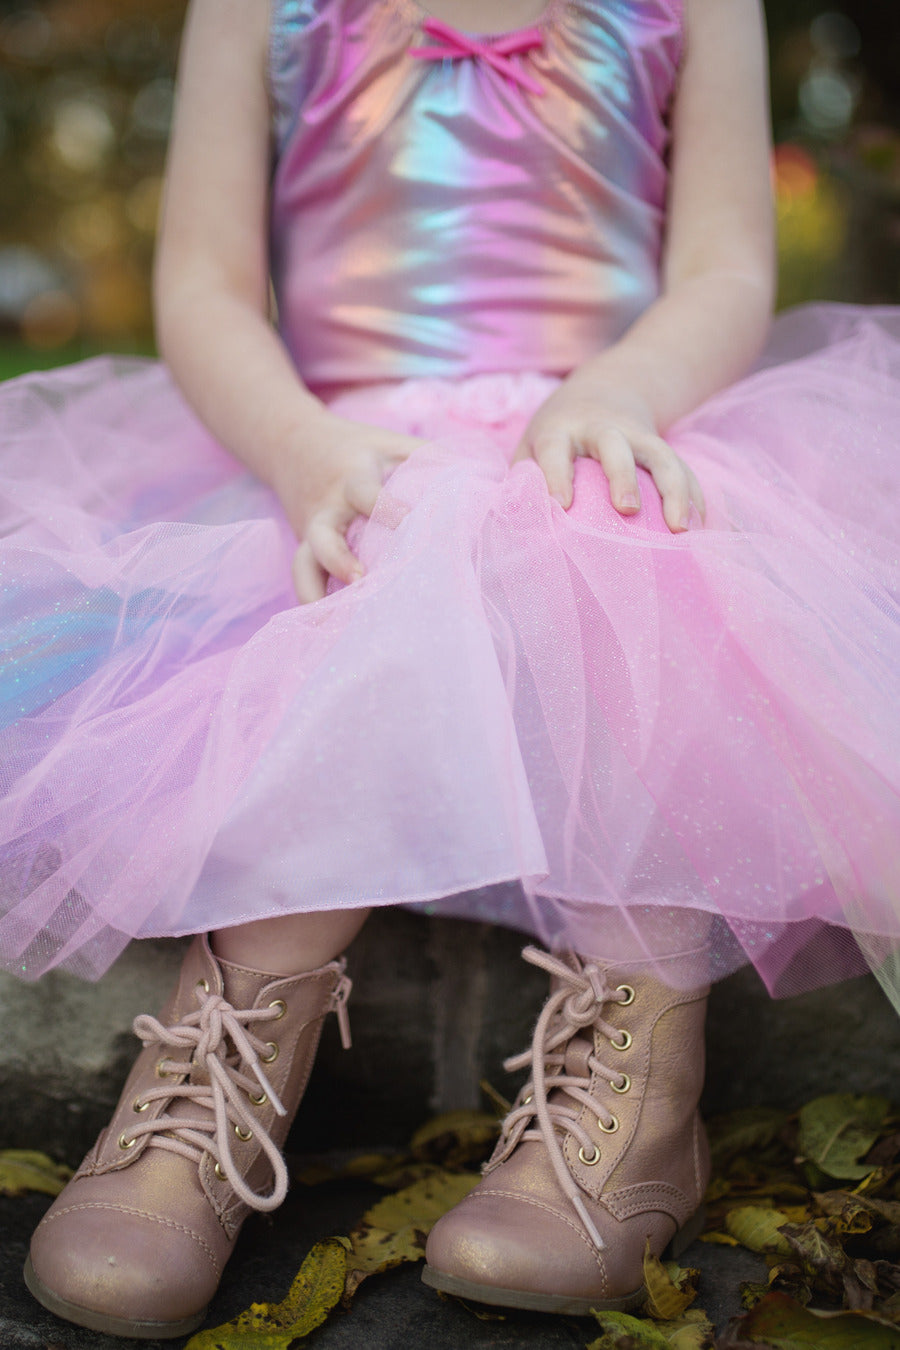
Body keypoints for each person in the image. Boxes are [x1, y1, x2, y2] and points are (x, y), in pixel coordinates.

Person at [2, 0, 899, 1337]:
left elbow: (721, 266)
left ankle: (634, 1086)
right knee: (371, 566)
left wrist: (619, 395)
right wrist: (302, 449)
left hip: (605, 418)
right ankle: (227, 1051)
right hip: (331, 441)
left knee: (633, 552)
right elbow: (202, 281)